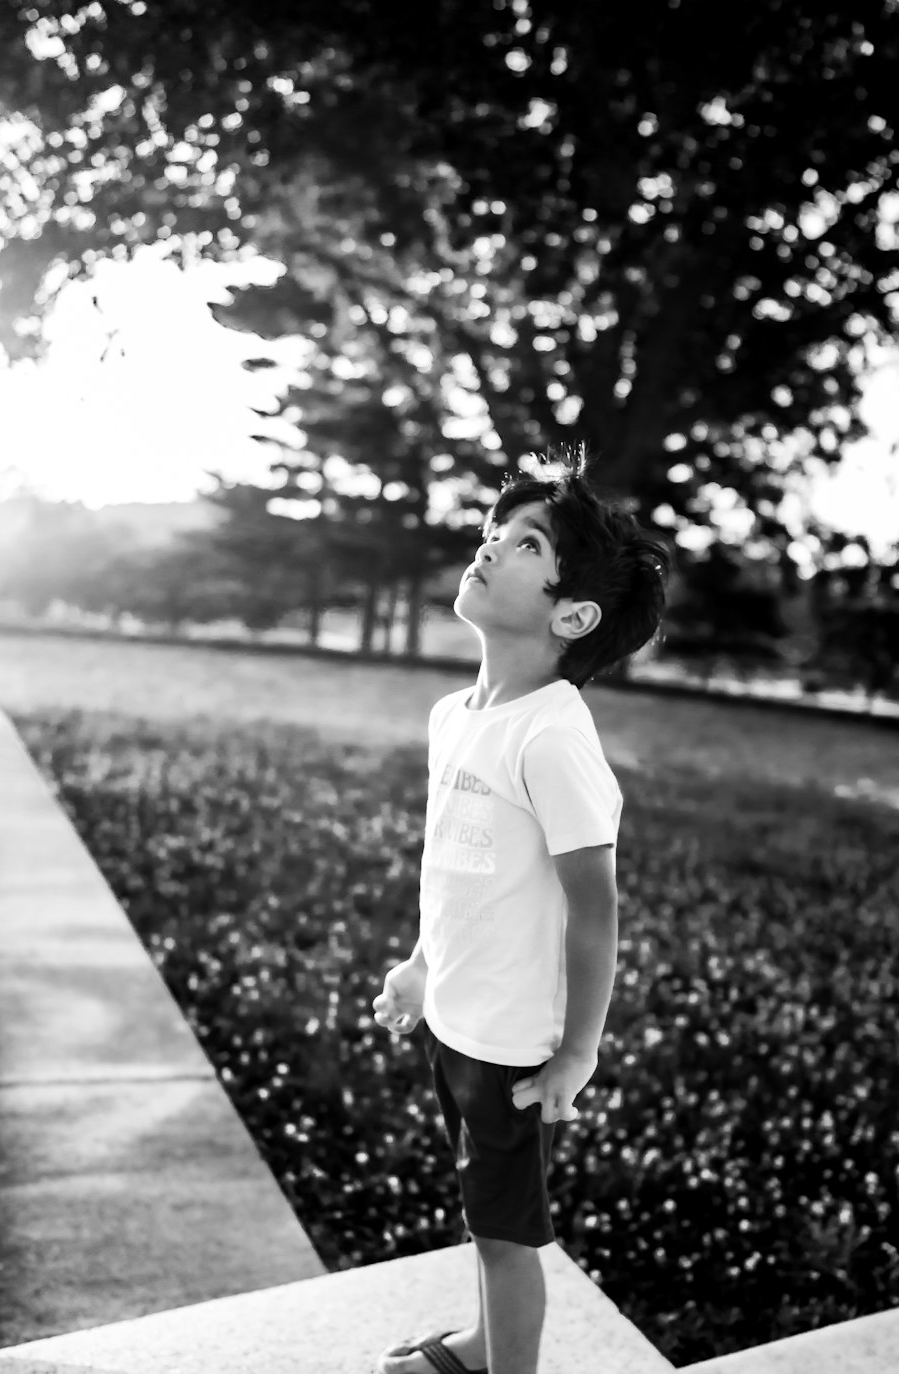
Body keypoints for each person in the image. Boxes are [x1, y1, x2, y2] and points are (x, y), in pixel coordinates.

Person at [372, 445, 670, 1374]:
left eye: (528, 542)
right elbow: (454, 873)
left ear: (572, 613)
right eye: (496, 529)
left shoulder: (552, 737)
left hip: (511, 1045)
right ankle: (476, 1344)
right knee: (482, 1207)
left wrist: (578, 1050)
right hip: (456, 1017)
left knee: (509, 1237)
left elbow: (595, 911)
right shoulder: (453, 716)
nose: (493, 543)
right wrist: (422, 964)